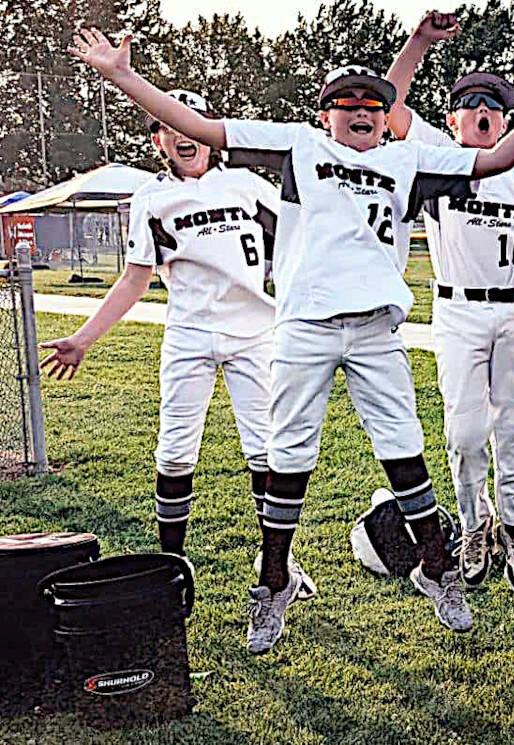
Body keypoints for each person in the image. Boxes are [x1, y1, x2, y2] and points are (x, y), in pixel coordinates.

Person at [68, 26, 514, 652]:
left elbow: (498, 160)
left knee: (404, 451)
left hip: (375, 328)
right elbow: (203, 127)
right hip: (306, 327)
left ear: (385, 115)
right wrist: (124, 78)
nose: (362, 112)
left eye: (374, 105)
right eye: (347, 105)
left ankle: (435, 567)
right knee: (287, 457)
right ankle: (272, 582)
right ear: (325, 116)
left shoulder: (405, 159)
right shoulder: (300, 147)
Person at [39, 89, 315, 598]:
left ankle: (279, 563)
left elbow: (302, 239)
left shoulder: (246, 184)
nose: (185, 136)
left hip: (255, 332)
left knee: (264, 449)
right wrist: (83, 338)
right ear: (158, 138)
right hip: (189, 334)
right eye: (172, 127)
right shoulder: (152, 197)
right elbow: (134, 278)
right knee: (174, 453)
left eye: (194, 124)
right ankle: (173, 565)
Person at [384, 12, 514, 594]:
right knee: (466, 433)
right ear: (452, 118)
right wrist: (419, 40)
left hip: (513, 311)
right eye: (470, 104)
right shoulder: (439, 155)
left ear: (506, 118)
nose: (482, 112)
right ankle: (475, 524)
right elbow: (389, 107)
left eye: (492, 105)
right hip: (458, 311)